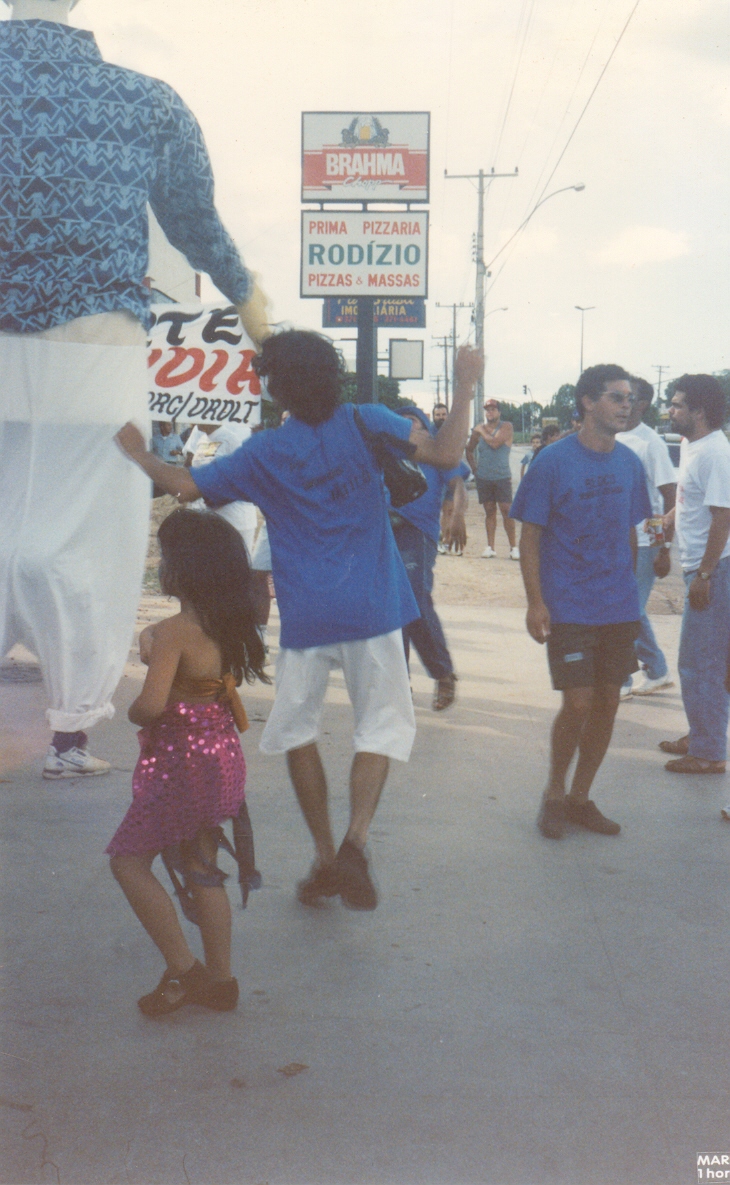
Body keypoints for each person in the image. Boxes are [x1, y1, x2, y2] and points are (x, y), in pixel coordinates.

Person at [116, 332, 482, 910]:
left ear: (274, 386)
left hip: (309, 616)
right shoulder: (369, 420)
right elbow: (444, 453)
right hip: (376, 607)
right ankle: (355, 842)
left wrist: (139, 453)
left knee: (298, 734)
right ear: (332, 375)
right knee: (380, 729)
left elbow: (184, 486)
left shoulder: (264, 452)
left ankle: (324, 854)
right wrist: (464, 386)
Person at [0, 0, 269, 780]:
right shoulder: (147, 99)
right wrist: (247, 295)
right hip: (94, 337)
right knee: (91, 531)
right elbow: (195, 220)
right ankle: (70, 735)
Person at [107, 509, 268, 1016]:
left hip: (180, 766)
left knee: (128, 862)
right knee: (203, 867)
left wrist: (133, 707)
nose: (160, 563)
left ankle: (185, 969)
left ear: (185, 569)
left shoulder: (178, 632)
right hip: (221, 760)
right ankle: (220, 982)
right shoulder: (231, 623)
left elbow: (151, 707)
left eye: (165, 554)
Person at [510, 364, 652, 840]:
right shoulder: (551, 461)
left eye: (629, 398)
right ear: (588, 403)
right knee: (577, 704)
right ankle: (553, 793)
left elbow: (631, 534)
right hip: (568, 604)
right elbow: (530, 536)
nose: (626, 405)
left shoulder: (630, 463)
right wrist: (535, 602)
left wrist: (630, 595)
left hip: (617, 605)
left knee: (608, 703)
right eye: (616, 397)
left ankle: (580, 798)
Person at [658, 375, 730, 776]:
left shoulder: (716, 453)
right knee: (700, 659)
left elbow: (724, 517)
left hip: (714, 570)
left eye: (677, 404)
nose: (670, 409)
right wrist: (671, 518)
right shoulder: (693, 445)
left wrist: (704, 574)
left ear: (699, 412)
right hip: (702, 569)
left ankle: (709, 752)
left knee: (702, 662)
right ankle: (702, 733)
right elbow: (695, 499)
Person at [390, 406, 467, 711]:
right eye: (403, 422)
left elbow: (458, 485)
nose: (410, 428)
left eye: (416, 423)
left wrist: (458, 513)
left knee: (414, 599)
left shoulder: (437, 454)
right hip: (383, 533)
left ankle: (442, 672)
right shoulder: (387, 453)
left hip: (417, 533)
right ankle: (398, 685)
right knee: (391, 609)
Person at [616, 377, 676, 697]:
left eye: (630, 397)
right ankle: (657, 670)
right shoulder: (615, 436)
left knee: (629, 609)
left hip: (646, 539)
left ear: (643, 404)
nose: (623, 402)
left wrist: (663, 548)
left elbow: (668, 497)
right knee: (627, 607)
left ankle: (623, 680)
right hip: (617, 538)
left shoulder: (650, 442)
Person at [184, 423, 258, 557]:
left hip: (234, 520)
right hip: (209, 519)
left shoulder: (231, 440)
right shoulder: (202, 440)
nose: (191, 421)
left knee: (236, 570)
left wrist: (213, 498)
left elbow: (247, 480)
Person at [466, 399, 519, 560]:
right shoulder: (478, 431)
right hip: (484, 477)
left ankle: (513, 547)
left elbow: (495, 443)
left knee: (506, 510)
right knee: (489, 510)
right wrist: (475, 470)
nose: (490, 412)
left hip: (502, 476)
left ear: (499, 412)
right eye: (487, 410)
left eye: (493, 409)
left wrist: (481, 430)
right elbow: (469, 450)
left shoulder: (506, 427)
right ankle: (490, 547)